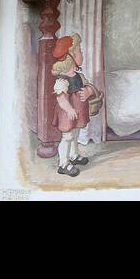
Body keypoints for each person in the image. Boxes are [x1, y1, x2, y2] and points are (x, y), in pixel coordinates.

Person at [51, 34, 95, 177]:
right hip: (68, 113)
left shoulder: (78, 75)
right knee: (67, 137)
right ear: (70, 57)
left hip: (78, 111)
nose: (82, 54)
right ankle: (63, 164)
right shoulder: (62, 80)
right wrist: (69, 109)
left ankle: (74, 155)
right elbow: (61, 98)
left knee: (75, 134)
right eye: (79, 51)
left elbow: (88, 85)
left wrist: (88, 91)